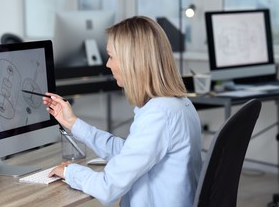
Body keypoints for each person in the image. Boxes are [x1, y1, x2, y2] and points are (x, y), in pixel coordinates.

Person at [43, 15, 202, 206]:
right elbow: (129, 152)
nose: (107, 64)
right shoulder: (177, 104)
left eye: (111, 56)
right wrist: (73, 123)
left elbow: (107, 187)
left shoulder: (158, 115)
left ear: (132, 61)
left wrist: (70, 172)